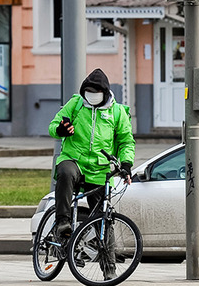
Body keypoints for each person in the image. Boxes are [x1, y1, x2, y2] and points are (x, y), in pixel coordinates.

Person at [48, 68, 135, 240]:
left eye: (95, 93)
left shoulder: (117, 112)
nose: (91, 96)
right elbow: (53, 125)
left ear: (105, 93)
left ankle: (107, 254)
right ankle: (62, 221)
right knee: (65, 172)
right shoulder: (76, 104)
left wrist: (126, 164)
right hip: (74, 160)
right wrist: (61, 130)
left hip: (99, 169)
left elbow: (126, 141)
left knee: (103, 218)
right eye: (88, 92)